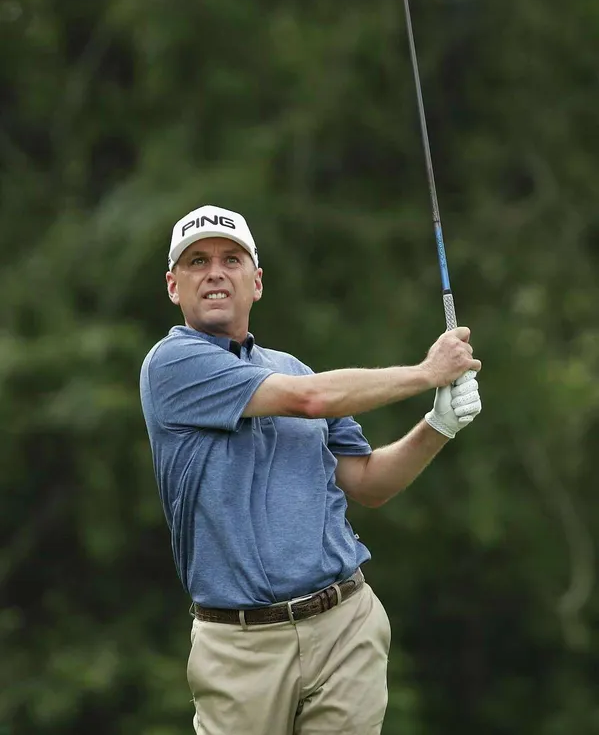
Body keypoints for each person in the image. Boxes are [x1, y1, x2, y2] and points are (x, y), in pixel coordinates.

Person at [139, 204, 482, 735]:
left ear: (256, 282)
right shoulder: (172, 364)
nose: (215, 273)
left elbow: (369, 482)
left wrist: (438, 426)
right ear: (173, 285)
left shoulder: (292, 368)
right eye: (197, 261)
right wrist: (426, 373)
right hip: (240, 647)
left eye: (231, 260)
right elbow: (308, 400)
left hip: (345, 625)